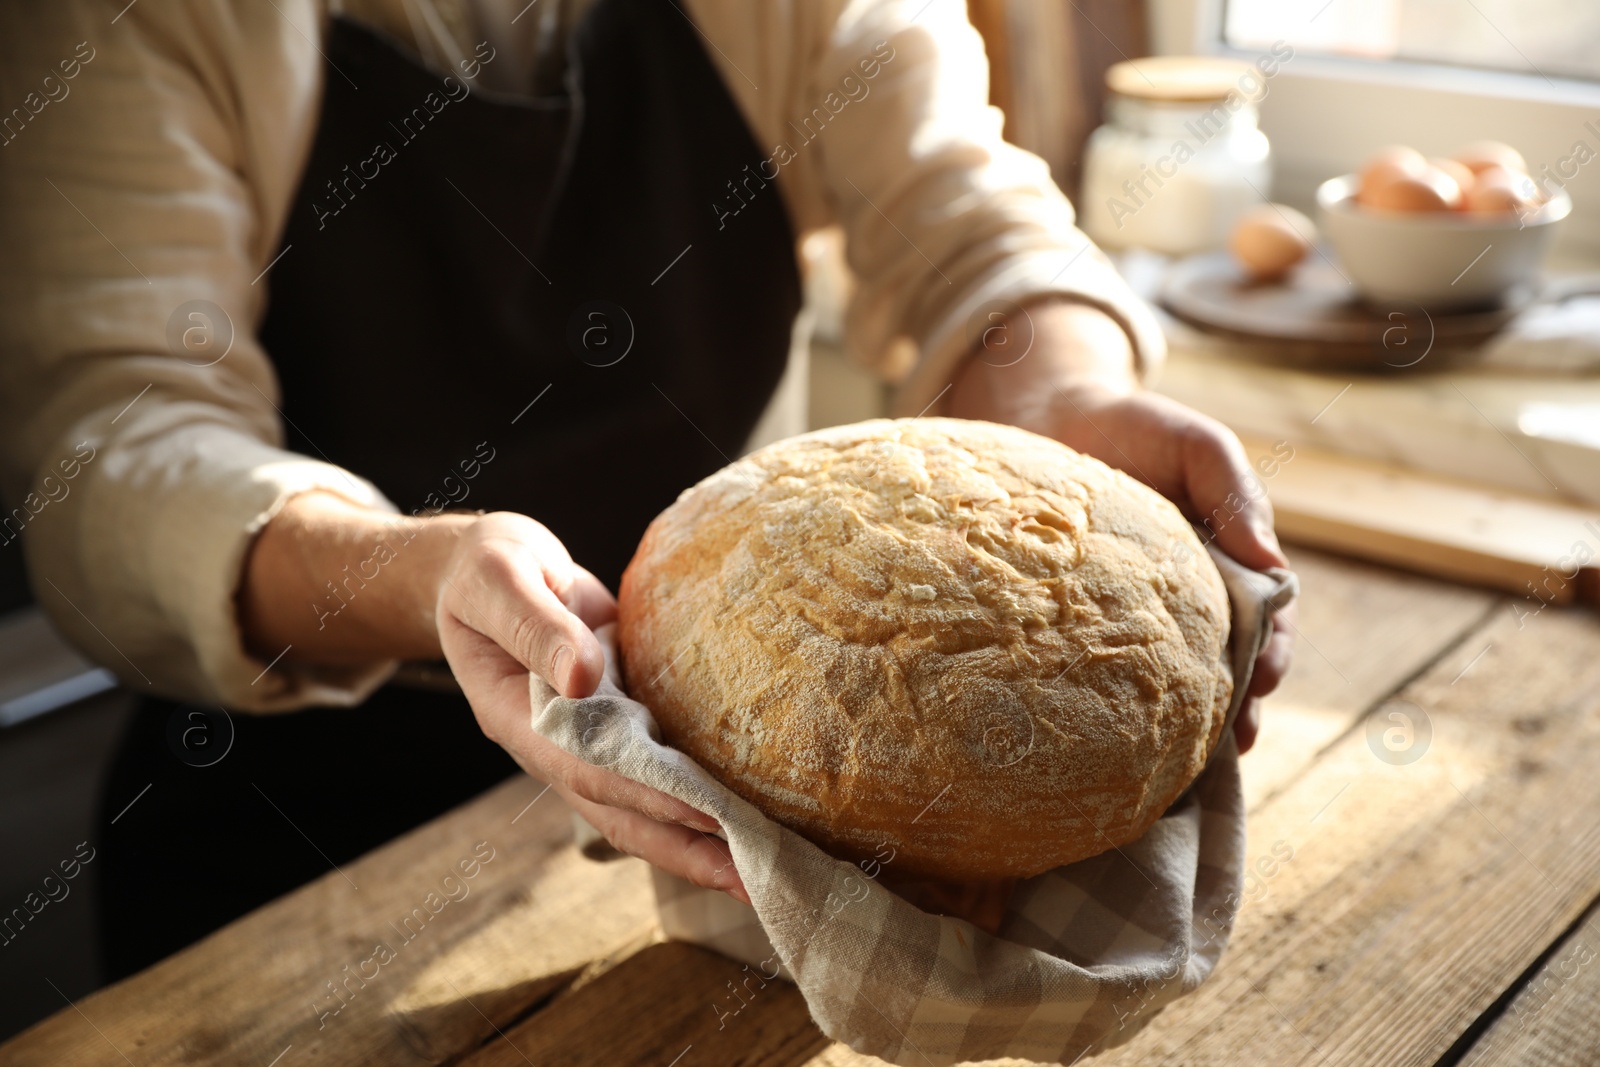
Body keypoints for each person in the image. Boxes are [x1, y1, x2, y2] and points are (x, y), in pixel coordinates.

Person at [0, 0, 1292, 978]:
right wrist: (425, 574)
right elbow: (112, 444)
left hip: (756, 809)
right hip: (307, 820)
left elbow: (962, 214)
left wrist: (1059, 398)